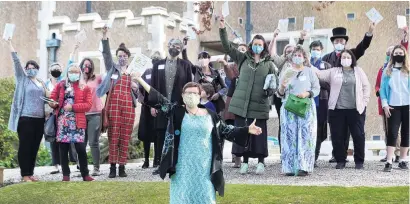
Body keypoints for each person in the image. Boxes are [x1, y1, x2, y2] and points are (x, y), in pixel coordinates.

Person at [134, 77, 262, 204]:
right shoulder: (176, 112)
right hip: (182, 168)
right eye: (188, 93)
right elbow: (159, 99)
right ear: (183, 95)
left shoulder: (210, 115)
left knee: (206, 198)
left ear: (200, 95)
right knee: (182, 199)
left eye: (194, 93)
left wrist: (246, 130)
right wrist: (140, 79)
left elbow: (226, 130)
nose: (191, 95)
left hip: (205, 167)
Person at [220, 16, 277, 174]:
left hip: (259, 104)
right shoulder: (242, 58)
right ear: (251, 46)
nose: (257, 47)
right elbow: (227, 46)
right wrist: (223, 27)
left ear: (263, 46)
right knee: (244, 131)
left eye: (260, 45)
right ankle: (244, 162)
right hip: (242, 104)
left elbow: (274, 82)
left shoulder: (268, 63)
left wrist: (270, 89)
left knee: (259, 133)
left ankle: (260, 162)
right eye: (255, 44)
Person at [322, 23, 375, 163]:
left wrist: (369, 33)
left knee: (354, 131)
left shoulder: (351, 54)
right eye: (336, 41)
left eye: (342, 41)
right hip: (333, 100)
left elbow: (362, 47)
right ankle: (338, 155)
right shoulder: (326, 58)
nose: (339, 43)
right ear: (333, 43)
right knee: (337, 130)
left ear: (345, 42)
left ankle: (353, 157)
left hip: (352, 101)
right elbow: (321, 76)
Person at [316, 49, 370, 169]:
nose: (346, 60)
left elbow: (366, 87)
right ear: (340, 60)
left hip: (356, 110)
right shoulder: (334, 71)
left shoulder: (358, 71)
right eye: (343, 57)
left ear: (352, 59)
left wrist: (364, 102)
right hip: (337, 109)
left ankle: (359, 161)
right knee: (337, 136)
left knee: (358, 135)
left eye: (348, 57)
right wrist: (308, 65)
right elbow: (319, 74)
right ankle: (340, 160)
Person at [97, 26, 139, 178]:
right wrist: (105, 35)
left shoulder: (133, 72)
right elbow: (106, 54)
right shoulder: (112, 69)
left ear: (128, 57)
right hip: (113, 106)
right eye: (119, 56)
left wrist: (135, 87)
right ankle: (112, 168)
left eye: (124, 55)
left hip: (128, 107)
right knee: (113, 136)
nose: (122, 58)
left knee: (125, 136)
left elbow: (139, 92)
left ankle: (122, 167)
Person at [6, 39, 49, 182]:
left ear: (37, 69)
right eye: (28, 67)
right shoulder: (22, 79)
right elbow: (16, 62)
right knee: (25, 146)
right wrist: (10, 43)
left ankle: (30, 173)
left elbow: (48, 96)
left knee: (35, 147)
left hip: (40, 119)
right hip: (25, 119)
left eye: (33, 67)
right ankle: (25, 175)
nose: (31, 69)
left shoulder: (41, 82)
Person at [150, 38, 193, 175]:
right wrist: (153, 105)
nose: (176, 48)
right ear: (168, 46)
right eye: (174, 45)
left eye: (179, 46)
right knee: (161, 134)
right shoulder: (158, 65)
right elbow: (153, 86)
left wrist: (188, 104)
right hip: (161, 105)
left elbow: (189, 86)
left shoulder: (185, 65)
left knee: (177, 134)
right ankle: (160, 165)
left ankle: (175, 164)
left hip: (178, 106)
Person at [277, 45, 320, 176]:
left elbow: (317, 88)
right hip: (289, 107)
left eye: (299, 55)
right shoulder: (287, 72)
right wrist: (282, 87)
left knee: (305, 136)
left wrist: (307, 93)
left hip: (305, 107)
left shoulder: (309, 71)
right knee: (289, 136)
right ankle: (289, 167)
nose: (297, 57)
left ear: (304, 57)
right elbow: (279, 93)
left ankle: (304, 166)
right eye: (295, 55)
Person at [49, 63, 94, 182]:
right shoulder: (61, 85)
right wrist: (53, 103)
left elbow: (88, 105)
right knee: (63, 149)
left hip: (78, 122)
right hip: (63, 122)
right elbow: (52, 98)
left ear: (79, 74)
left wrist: (73, 107)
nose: (73, 74)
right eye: (71, 72)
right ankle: (65, 175)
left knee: (81, 149)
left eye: (76, 72)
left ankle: (85, 174)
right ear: (67, 73)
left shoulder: (85, 88)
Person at [269, 29, 305, 152]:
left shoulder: (300, 63)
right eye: (287, 51)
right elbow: (272, 54)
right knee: (283, 123)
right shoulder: (281, 63)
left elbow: (300, 49)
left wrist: (301, 38)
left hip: (297, 97)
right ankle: (283, 151)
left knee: (297, 123)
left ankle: (296, 151)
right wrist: (274, 38)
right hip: (282, 97)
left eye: (292, 51)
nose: (290, 53)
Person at [376, 28, 408, 163]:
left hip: (407, 105)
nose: (395, 55)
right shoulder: (385, 70)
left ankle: (403, 158)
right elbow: (380, 87)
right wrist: (384, 103)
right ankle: (390, 158)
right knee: (391, 132)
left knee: (406, 133)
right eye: (390, 53)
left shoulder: (408, 70)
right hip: (391, 106)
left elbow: (404, 48)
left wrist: (406, 37)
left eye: (398, 52)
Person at [219, 46, 246, 167]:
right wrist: (225, 64)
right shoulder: (233, 66)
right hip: (233, 97)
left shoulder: (250, 65)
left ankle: (247, 156)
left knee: (246, 127)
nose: (241, 51)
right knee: (235, 127)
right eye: (239, 49)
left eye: (243, 49)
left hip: (247, 98)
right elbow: (231, 76)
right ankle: (236, 157)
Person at [308, 41, 332, 167]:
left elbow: (329, 84)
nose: (315, 51)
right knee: (308, 130)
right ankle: (309, 156)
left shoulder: (326, 66)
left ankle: (314, 157)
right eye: (313, 48)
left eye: (317, 49)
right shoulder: (305, 64)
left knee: (319, 131)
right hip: (307, 102)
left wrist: (317, 78)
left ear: (321, 50)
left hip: (321, 102)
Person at [138, 51, 162, 169]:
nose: (155, 62)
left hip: (158, 108)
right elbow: (140, 90)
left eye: (157, 60)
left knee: (158, 134)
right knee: (145, 134)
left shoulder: (162, 74)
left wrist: (157, 106)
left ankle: (157, 159)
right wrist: (144, 102)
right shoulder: (146, 72)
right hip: (146, 107)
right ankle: (146, 159)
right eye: (154, 60)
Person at [79, 57, 103, 176]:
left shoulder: (97, 78)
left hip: (94, 114)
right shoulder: (78, 80)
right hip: (81, 114)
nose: (86, 67)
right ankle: (83, 169)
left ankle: (96, 168)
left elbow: (108, 79)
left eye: (88, 65)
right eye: (84, 65)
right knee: (81, 142)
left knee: (93, 142)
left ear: (92, 67)